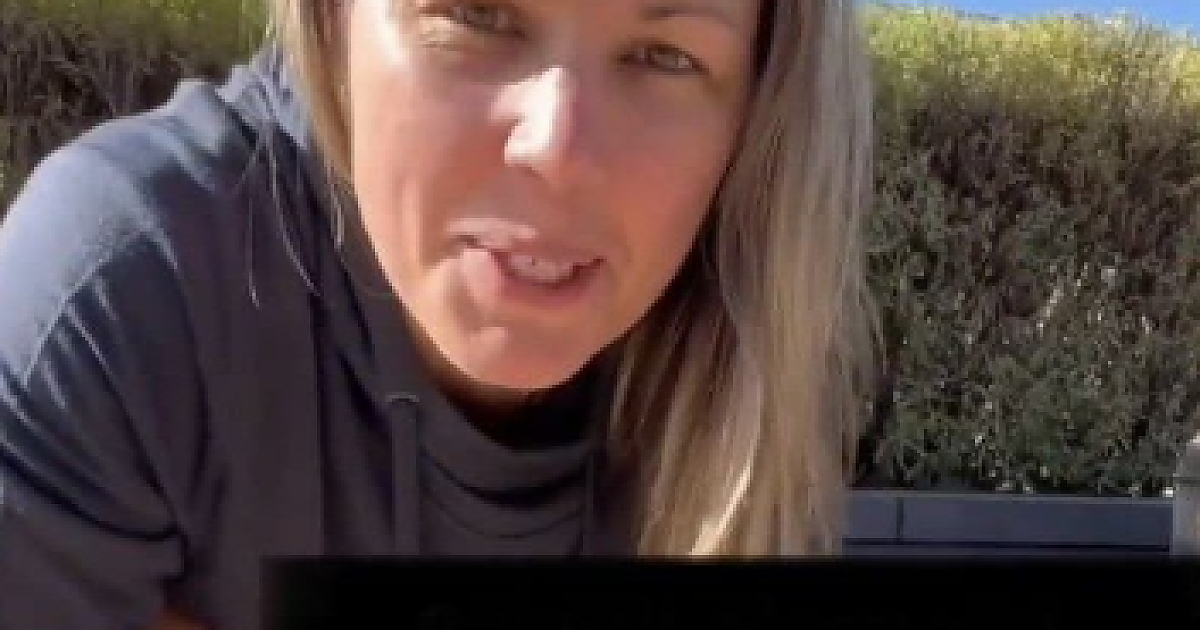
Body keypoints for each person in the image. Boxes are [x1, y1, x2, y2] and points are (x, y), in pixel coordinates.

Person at [0, 0, 876, 628]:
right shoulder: (125, 288)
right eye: (478, 15)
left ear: (757, 115)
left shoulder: (755, 374)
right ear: (332, 22)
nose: (557, 146)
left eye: (664, 56)